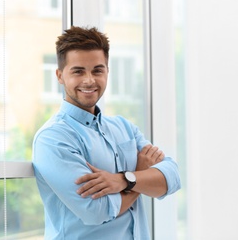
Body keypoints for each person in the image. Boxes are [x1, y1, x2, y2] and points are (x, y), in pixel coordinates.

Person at [32, 26, 181, 239]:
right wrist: (139, 177)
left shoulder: (124, 128)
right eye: (78, 71)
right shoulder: (53, 138)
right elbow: (97, 211)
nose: (89, 80)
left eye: (97, 70)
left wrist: (124, 180)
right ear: (60, 75)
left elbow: (172, 177)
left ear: (107, 72)